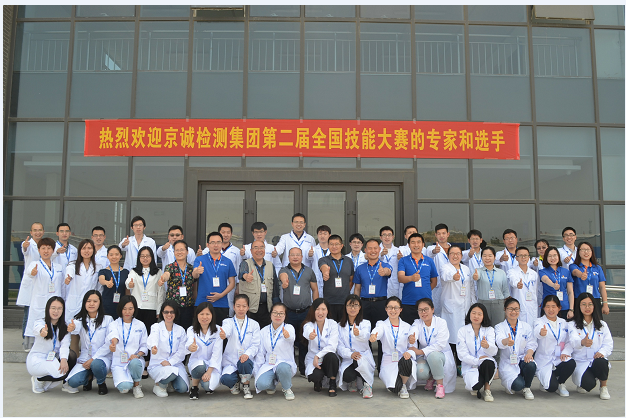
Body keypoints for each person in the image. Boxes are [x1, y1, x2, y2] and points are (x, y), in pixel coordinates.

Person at [277, 247, 319, 378]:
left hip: (305, 312)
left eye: (298, 255)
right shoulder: (284, 270)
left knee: (304, 341)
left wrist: (315, 308)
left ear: (302, 257)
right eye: (292, 255)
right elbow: (282, 276)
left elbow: (315, 289)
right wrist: (284, 282)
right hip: (289, 313)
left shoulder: (309, 271)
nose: (295, 257)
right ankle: (288, 368)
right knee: (287, 340)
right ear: (288, 257)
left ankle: (303, 369)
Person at [352, 238, 391, 372]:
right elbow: (357, 288)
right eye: (370, 248)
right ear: (365, 250)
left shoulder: (385, 265)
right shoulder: (360, 268)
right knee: (364, 336)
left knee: (380, 336)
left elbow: (388, 272)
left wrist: (384, 272)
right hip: (364, 304)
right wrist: (356, 305)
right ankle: (366, 366)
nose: (373, 251)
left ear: (379, 250)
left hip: (381, 304)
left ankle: (382, 367)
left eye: (375, 248)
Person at [66, 290, 114, 395]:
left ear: (100, 303)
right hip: (85, 358)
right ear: (84, 303)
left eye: (95, 301)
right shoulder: (79, 319)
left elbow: (108, 344)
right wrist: (72, 327)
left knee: (97, 364)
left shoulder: (108, 319)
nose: (91, 304)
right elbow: (75, 327)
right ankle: (89, 377)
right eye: (88, 301)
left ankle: (101, 383)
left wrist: (93, 359)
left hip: (102, 358)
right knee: (73, 382)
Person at [568, 293, 613, 400]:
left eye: (590, 304)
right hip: (581, 361)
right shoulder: (572, 324)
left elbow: (608, 343)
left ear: (594, 306)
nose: (587, 307)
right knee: (588, 385)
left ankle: (603, 387)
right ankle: (587, 379)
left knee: (601, 361)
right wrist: (582, 342)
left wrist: (602, 352)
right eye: (583, 304)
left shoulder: (602, 325)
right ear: (578, 306)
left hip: (596, 359)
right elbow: (573, 341)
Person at [27, 296, 76, 394]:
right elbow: (37, 329)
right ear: (48, 309)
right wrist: (42, 331)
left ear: (63, 310)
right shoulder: (41, 322)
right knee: (60, 373)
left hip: (53, 358)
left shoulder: (64, 327)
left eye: (59, 308)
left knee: (71, 355)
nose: (56, 311)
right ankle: (38, 379)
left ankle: (65, 384)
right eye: (53, 308)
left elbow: (65, 345)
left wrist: (63, 360)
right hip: (38, 359)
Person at [409, 298, 456, 398]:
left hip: (440, 354)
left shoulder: (441, 322)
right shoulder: (417, 322)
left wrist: (420, 351)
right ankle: (430, 378)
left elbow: (440, 344)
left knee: (433, 356)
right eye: (420, 310)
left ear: (433, 309)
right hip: (424, 355)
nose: (423, 312)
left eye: (426, 309)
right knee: (421, 372)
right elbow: (413, 330)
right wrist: (412, 337)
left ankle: (440, 386)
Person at [370, 296, 416, 399]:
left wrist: (410, 348)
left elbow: (412, 346)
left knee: (406, 360)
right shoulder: (382, 324)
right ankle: (398, 384)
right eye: (390, 307)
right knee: (394, 388)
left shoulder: (407, 326)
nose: (393, 310)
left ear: (401, 309)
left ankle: (403, 385)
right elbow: (378, 330)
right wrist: (374, 335)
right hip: (389, 360)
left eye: (396, 307)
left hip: (403, 359)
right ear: (386, 309)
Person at [23, 238, 65, 343]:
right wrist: (33, 273)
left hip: (55, 301)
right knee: (38, 327)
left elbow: (62, 285)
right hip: (39, 302)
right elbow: (30, 272)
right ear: (38, 250)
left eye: (49, 248)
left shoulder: (58, 267)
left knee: (55, 325)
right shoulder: (34, 264)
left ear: (53, 250)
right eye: (43, 248)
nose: (46, 251)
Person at [494, 298, 537, 400]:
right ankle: (517, 382)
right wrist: (506, 341)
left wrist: (529, 354)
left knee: (531, 364)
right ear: (505, 309)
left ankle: (527, 387)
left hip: (522, 358)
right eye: (511, 309)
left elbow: (531, 343)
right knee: (517, 386)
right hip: (508, 363)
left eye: (516, 309)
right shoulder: (499, 327)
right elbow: (499, 341)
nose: (514, 312)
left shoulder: (526, 326)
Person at [219, 294, 261, 399]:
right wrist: (224, 334)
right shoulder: (228, 321)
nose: (241, 309)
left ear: (248, 307)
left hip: (246, 360)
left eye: (244, 306)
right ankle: (236, 381)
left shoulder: (254, 324)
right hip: (231, 360)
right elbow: (226, 329)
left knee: (244, 362)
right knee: (226, 379)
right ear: (233, 307)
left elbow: (255, 344)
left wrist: (247, 354)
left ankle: (246, 385)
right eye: (238, 306)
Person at [106, 295, 148, 398]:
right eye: (124, 309)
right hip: (119, 362)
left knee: (135, 363)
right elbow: (114, 335)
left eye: (130, 309)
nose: (127, 312)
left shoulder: (140, 325)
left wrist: (137, 355)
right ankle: (128, 381)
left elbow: (144, 345)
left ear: (135, 309)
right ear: (120, 309)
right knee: (124, 388)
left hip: (135, 360)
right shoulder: (114, 324)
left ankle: (136, 385)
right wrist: (113, 343)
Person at [533, 295, 576, 396]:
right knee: (551, 388)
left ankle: (561, 383)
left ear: (559, 308)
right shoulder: (539, 321)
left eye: (553, 306)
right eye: (547, 306)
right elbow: (537, 331)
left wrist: (565, 352)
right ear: (543, 308)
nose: (551, 310)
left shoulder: (564, 323)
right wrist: (541, 333)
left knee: (571, 363)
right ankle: (549, 382)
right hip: (544, 360)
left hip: (559, 358)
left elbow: (569, 341)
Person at [253, 302, 297, 400]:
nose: (278, 315)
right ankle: (272, 383)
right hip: (269, 364)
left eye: (281, 313)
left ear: (285, 315)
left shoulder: (289, 328)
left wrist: (287, 336)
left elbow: (291, 338)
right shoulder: (264, 331)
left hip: (284, 363)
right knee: (261, 384)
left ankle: (287, 388)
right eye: (275, 313)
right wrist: (258, 370)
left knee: (283, 367)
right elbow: (261, 352)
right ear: (271, 314)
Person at [439, 245, 473, 370]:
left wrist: (472, 303)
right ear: (448, 256)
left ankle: (461, 362)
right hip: (451, 307)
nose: (455, 256)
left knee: (463, 336)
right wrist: (453, 277)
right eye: (452, 253)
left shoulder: (466, 269)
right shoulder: (445, 267)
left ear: (461, 256)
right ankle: (452, 363)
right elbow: (445, 276)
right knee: (452, 336)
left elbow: (470, 287)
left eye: (458, 253)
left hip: (465, 306)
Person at [147, 300, 189, 397]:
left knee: (182, 388)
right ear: (162, 313)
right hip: (159, 363)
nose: (169, 314)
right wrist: (153, 347)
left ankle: (169, 382)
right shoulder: (156, 327)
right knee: (171, 372)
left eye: (172, 312)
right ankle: (159, 385)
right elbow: (153, 338)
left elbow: (181, 351)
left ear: (176, 313)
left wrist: (170, 362)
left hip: (175, 363)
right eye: (166, 312)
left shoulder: (180, 330)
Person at [456, 303, 497, 402]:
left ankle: (487, 390)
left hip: (485, 363)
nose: (476, 316)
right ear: (469, 314)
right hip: (470, 365)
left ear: (484, 316)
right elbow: (462, 354)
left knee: (489, 363)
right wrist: (476, 360)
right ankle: (479, 383)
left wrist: (487, 346)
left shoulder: (489, 330)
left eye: (479, 314)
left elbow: (494, 351)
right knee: (475, 387)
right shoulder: (462, 330)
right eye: (473, 313)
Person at [193, 232, 236, 326]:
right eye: (212, 242)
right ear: (207, 245)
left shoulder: (228, 261)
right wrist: (197, 271)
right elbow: (194, 276)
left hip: (221, 303)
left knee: (220, 332)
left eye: (218, 242)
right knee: (201, 331)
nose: (215, 245)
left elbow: (232, 283)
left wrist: (221, 295)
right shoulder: (200, 260)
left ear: (222, 244)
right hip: (202, 303)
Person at [336, 295, 375, 398]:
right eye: (350, 305)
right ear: (345, 307)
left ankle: (367, 385)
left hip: (363, 356)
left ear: (360, 307)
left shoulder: (365, 323)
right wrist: (350, 354)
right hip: (349, 357)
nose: (352, 308)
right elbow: (339, 346)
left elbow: (366, 336)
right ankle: (353, 380)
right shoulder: (339, 326)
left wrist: (359, 334)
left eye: (355, 305)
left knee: (359, 360)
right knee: (347, 375)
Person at [238, 240, 280, 329]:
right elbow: (242, 273)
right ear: (251, 250)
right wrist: (246, 276)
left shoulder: (270, 265)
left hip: (266, 308)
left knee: (265, 333)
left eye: (261, 247)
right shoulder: (245, 263)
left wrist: (276, 305)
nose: (259, 250)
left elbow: (275, 286)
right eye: (256, 248)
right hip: (250, 309)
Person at [398, 233, 438, 325]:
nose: (416, 245)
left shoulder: (429, 261)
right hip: (408, 302)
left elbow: (434, 281)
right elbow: (400, 278)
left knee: (426, 330)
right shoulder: (403, 260)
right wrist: (411, 278)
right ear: (409, 245)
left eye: (418, 242)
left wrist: (425, 290)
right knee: (408, 330)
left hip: (426, 303)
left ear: (423, 245)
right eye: (413, 242)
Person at [303, 298, 340, 396]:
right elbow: (306, 332)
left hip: (327, 357)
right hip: (313, 358)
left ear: (327, 311)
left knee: (331, 356)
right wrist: (310, 335)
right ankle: (318, 381)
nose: (320, 312)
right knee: (315, 376)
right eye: (317, 309)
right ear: (313, 311)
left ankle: (332, 383)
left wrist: (318, 356)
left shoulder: (332, 324)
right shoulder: (308, 325)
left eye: (323, 309)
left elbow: (332, 346)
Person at [17, 222, 45, 351]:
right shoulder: (28, 244)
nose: (38, 232)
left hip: (42, 285)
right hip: (30, 285)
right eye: (35, 230)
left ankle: (38, 340)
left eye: (40, 230)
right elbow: (25, 250)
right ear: (31, 232)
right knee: (28, 313)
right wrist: (24, 246)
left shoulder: (45, 245)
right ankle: (26, 340)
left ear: (43, 231)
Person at [186, 302, 223, 400]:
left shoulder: (218, 330)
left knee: (208, 386)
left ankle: (203, 380)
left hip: (212, 366)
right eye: (201, 314)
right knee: (200, 366)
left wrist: (209, 372)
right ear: (197, 315)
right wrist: (191, 347)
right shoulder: (191, 330)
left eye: (207, 314)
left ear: (212, 316)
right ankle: (194, 387)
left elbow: (217, 353)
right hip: (197, 364)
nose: (204, 317)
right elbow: (189, 343)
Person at [161, 240, 197, 330]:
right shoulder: (170, 267)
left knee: (186, 330)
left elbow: (194, 287)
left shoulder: (191, 268)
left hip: (188, 306)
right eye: (177, 250)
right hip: (173, 307)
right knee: (172, 331)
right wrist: (163, 278)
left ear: (187, 252)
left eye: (182, 250)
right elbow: (166, 274)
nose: (179, 252)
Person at [319, 235, 355, 321]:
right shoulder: (323, 260)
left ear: (341, 246)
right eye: (331, 244)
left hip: (345, 301)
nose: (334, 246)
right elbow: (323, 266)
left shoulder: (348, 261)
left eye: (337, 244)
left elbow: (351, 280)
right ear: (328, 246)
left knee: (343, 325)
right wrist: (325, 272)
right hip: (329, 301)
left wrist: (344, 290)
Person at [569, 242, 609, 317]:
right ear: (578, 252)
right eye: (583, 250)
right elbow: (575, 272)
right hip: (579, 300)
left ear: (592, 252)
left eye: (588, 250)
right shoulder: (574, 266)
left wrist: (605, 304)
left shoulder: (597, 268)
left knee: (596, 322)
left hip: (595, 299)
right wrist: (581, 275)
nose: (586, 252)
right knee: (579, 322)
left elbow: (602, 287)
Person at [64, 239, 100, 321]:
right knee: (72, 325)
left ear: (93, 250)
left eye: (89, 248)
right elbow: (69, 272)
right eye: (83, 248)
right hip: (74, 302)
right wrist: (68, 278)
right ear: (79, 250)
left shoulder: (98, 267)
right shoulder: (73, 265)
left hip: (90, 303)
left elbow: (99, 287)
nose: (86, 251)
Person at [472, 246, 509, 325]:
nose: (487, 258)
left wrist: (506, 306)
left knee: (498, 327)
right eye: (484, 256)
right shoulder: (478, 271)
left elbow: (505, 290)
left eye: (490, 255)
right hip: (483, 304)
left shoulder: (501, 272)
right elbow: (476, 277)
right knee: (484, 327)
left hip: (499, 304)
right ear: (481, 257)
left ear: (494, 257)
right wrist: (475, 277)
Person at [538, 246, 574, 319]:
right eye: (550, 256)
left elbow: (570, 292)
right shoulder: (542, 271)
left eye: (555, 255)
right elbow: (545, 279)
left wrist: (571, 309)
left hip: (564, 306)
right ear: (546, 258)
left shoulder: (566, 271)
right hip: (548, 308)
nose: (552, 258)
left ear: (558, 257)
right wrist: (553, 285)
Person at [506, 247, 539, 326]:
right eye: (520, 256)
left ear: (529, 257)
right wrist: (517, 284)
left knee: (532, 328)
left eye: (525, 255)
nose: (523, 258)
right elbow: (512, 280)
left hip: (532, 306)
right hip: (518, 305)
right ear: (516, 258)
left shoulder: (534, 274)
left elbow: (536, 290)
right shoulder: (512, 272)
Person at [426, 223, 452, 317]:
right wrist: (435, 251)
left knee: (450, 312)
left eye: (443, 233)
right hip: (438, 285)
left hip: (451, 283)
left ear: (448, 234)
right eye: (439, 233)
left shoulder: (453, 249)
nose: (441, 236)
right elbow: (430, 253)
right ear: (436, 235)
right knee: (437, 311)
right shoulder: (432, 248)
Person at [98, 245, 129, 320]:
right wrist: (106, 282)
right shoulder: (103, 271)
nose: (114, 257)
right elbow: (101, 280)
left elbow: (127, 290)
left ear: (120, 256)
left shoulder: (126, 272)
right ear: (107, 256)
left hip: (122, 305)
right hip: (106, 304)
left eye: (116, 254)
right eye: (111, 255)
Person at [306, 225, 332, 297]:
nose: (322, 236)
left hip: (330, 280)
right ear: (317, 235)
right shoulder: (313, 249)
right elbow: (308, 257)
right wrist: (310, 254)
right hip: (316, 280)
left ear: (329, 235)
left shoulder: (333, 250)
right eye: (320, 233)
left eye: (325, 233)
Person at [462, 229, 485, 304]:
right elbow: (465, 257)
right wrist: (470, 254)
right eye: (472, 239)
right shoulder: (464, 253)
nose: (475, 241)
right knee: (472, 304)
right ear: (469, 240)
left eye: (477, 239)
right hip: (471, 283)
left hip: (484, 282)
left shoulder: (485, 253)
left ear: (481, 240)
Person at [379, 226, 401, 298]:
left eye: (389, 235)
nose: (387, 237)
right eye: (384, 235)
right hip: (380, 281)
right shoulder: (376, 250)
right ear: (380, 237)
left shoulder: (398, 250)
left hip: (394, 282)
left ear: (393, 237)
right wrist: (381, 254)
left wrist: (400, 259)